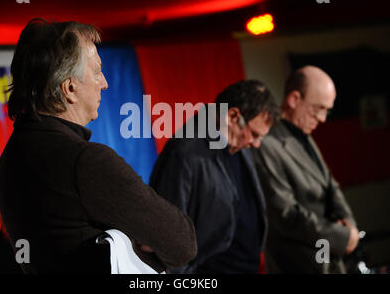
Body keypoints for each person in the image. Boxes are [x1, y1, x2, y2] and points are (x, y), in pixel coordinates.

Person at [0, 18, 197, 274]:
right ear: (69, 88)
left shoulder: (13, 154)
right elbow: (182, 243)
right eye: (97, 71)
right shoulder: (85, 162)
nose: (104, 83)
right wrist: (134, 240)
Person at [150, 80, 279, 273]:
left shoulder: (236, 142)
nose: (257, 143)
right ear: (233, 116)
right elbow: (167, 237)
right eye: (254, 134)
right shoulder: (185, 152)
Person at [252, 65, 359, 273]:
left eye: (327, 110)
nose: (323, 118)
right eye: (318, 108)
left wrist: (350, 225)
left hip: (331, 261)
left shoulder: (304, 135)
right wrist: (342, 236)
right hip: (299, 265)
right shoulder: (265, 143)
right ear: (293, 99)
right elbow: (285, 214)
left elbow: (330, 185)